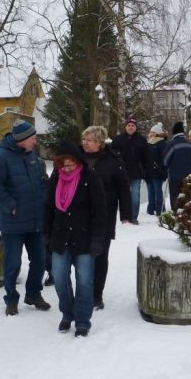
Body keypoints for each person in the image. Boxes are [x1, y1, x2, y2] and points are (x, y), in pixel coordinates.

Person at [0, 119, 51, 316]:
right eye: (33, 138)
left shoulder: (31, 154)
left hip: (35, 220)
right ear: (22, 139)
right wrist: (11, 206)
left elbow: (39, 183)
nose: (35, 141)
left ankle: (33, 294)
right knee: (13, 263)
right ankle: (11, 299)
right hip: (13, 223)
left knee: (39, 261)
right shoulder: (0, 156)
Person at [45, 141, 107, 337]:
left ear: (78, 161)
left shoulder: (90, 177)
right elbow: (48, 209)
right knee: (60, 279)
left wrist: (98, 239)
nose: (67, 168)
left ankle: (82, 321)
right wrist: (46, 236)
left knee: (85, 281)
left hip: (85, 238)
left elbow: (100, 210)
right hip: (60, 236)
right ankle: (67, 313)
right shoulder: (55, 178)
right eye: (63, 165)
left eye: (70, 164)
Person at [80, 125, 131, 310]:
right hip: (80, 215)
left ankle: (96, 295)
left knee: (100, 255)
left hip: (105, 215)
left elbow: (124, 187)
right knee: (82, 254)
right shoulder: (77, 157)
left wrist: (126, 214)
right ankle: (83, 291)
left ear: (99, 142)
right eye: (83, 139)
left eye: (88, 140)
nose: (84, 143)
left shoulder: (113, 159)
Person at [112, 118, 149, 224]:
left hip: (136, 172)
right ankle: (125, 217)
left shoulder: (141, 140)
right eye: (129, 125)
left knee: (135, 196)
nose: (130, 127)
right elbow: (112, 155)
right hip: (121, 172)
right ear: (125, 127)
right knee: (123, 195)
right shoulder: (118, 139)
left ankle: (133, 217)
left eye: (133, 125)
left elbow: (146, 157)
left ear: (136, 127)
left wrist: (147, 171)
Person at [163, 121, 191, 211]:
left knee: (175, 196)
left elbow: (165, 160)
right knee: (186, 196)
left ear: (174, 132)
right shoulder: (189, 145)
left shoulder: (172, 144)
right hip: (188, 176)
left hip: (174, 176)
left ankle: (176, 214)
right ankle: (185, 215)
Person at [145, 123, 168, 216]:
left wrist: (162, 171)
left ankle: (160, 209)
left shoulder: (162, 143)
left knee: (158, 191)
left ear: (158, 133)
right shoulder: (149, 142)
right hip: (148, 171)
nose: (151, 133)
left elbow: (164, 159)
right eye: (150, 132)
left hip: (157, 171)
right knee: (150, 191)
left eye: (153, 132)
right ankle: (150, 209)